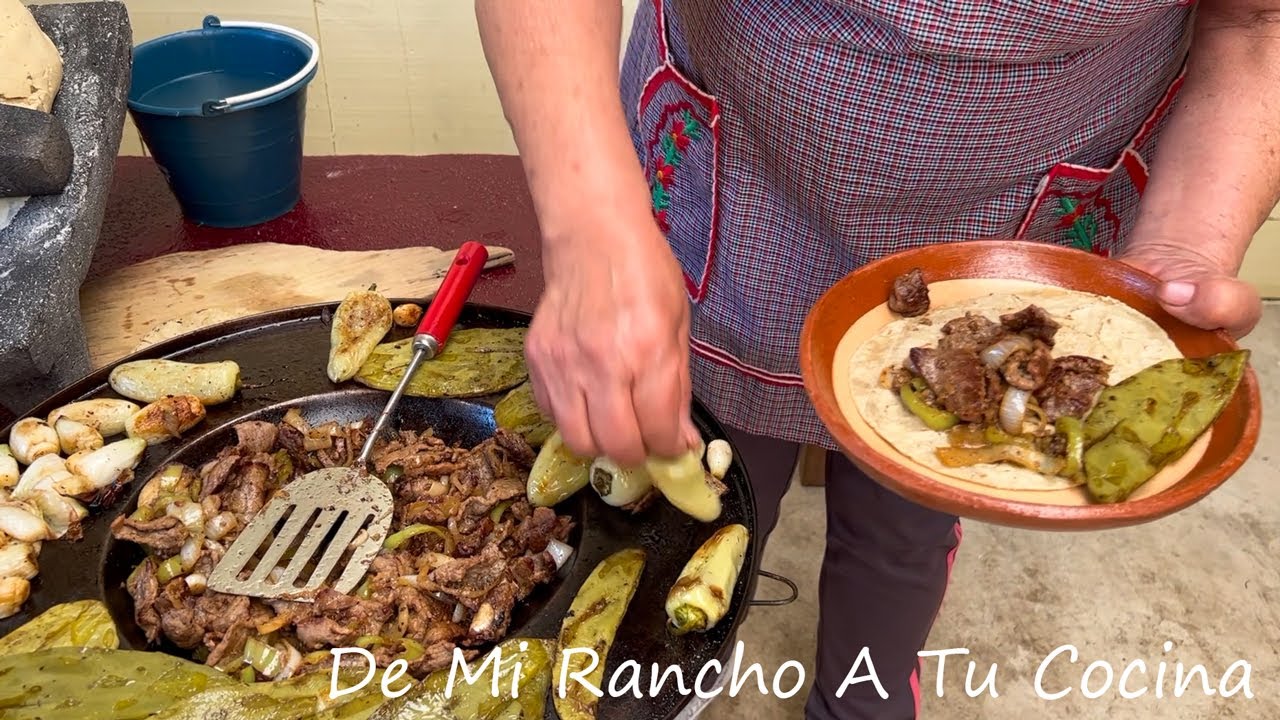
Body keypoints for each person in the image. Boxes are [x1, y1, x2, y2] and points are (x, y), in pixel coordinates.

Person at [475, 0, 1267, 717]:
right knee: (689, 506)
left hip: (1013, 218)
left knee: (903, 532)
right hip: (737, 169)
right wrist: (591, 232)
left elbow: (1257, 20)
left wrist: (1183, 248)